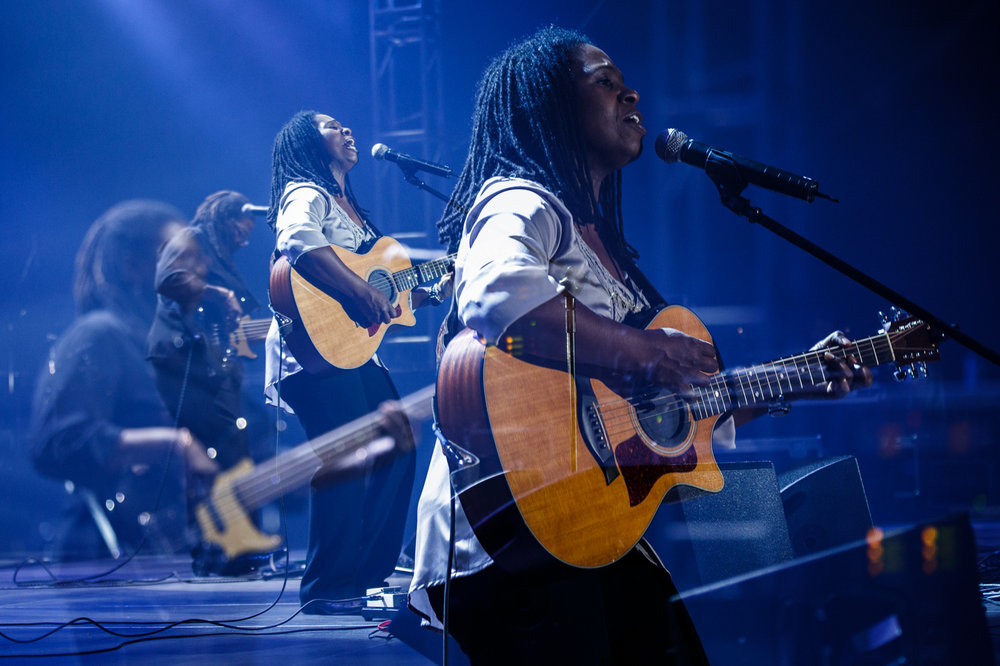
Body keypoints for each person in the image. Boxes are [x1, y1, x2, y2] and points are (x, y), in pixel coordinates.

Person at [407, 27, 872, 664]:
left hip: (588, 525)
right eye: (603, 81)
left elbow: (666, 428)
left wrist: (798, 380)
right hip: (517, 529)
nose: (630, 92)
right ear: (548, 104)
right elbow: (495, 303)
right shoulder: (520, 202)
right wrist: (643, 351)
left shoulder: (605, 246)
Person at [263, 110, 448, 614]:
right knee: (348, 457)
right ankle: (327, 584)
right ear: (305, 141)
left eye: (347, 124)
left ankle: (365, 575)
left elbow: (380, 288)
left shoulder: (354, 210)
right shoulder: (307, 192)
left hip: (350, 350)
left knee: (399, 444)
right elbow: (297, 243)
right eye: (330, 125)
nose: (346, 130)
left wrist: (427, 290)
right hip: (311, 352)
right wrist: (359, 292)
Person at [30, 200, 218, 561]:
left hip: (178, 557)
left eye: (200, 255)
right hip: (105, 562)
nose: (201, 266)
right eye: (181, 255)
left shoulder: (182, 348)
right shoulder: (99, 335)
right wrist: (174, 443)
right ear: (134, 268)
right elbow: (55, 441)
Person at [147, 190, 260, 474]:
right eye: (239, 232)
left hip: (211, 368)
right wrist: (219, 294)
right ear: (224, 219)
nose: (243, 242)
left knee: (238, 450)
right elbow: (166, 278)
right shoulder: (192, 238)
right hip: (182, 364)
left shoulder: (218, 256)